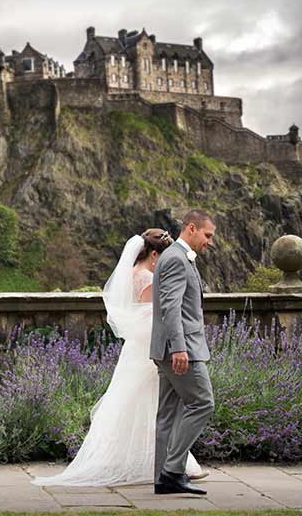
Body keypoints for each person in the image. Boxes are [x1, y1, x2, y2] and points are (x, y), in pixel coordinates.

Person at [30, 228, 207, 487]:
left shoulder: (132, 275)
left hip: (137, 350)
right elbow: (154, 318)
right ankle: (173, 467)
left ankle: (169, 467)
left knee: (150, 407)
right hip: (151, 350)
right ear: (155, 255)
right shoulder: (147, 278)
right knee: (162, 407)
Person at [150, 210, 216, 495]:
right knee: (203, 402)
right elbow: (171, 307)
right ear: (192, 228)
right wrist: (179, 348)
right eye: (208, 235)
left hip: (167, 348)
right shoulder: (177, 258)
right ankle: (172, 472)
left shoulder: (175, 256)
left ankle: (163, 481)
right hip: (180, 348)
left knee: (167, 414)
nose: (210, 242)